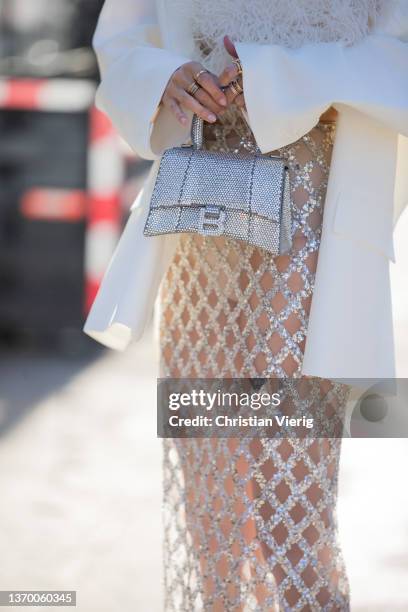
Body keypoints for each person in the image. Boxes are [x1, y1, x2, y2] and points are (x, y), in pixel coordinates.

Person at [84, 1, 408, 609]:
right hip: (200, 211)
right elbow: (122, 43)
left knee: (290, 495)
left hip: (318, 208)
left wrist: (277, 72)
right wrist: (168, 77)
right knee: (209, 491)